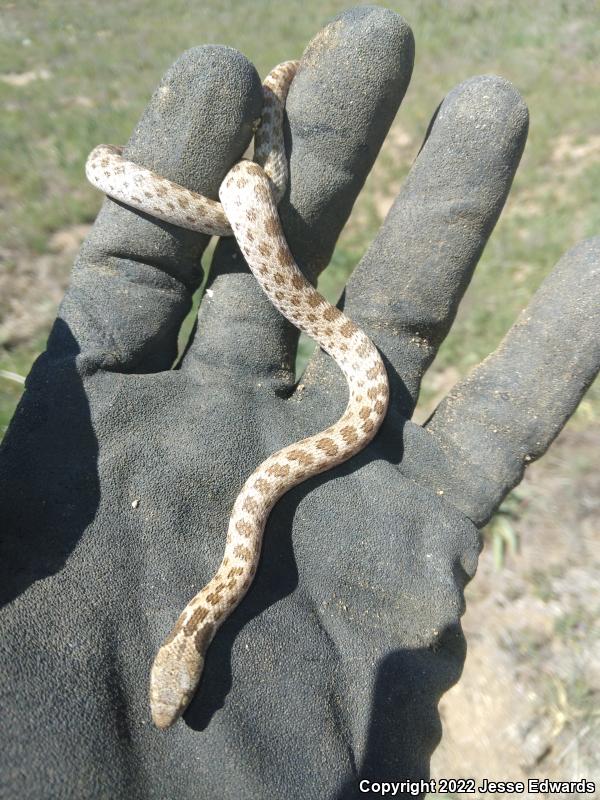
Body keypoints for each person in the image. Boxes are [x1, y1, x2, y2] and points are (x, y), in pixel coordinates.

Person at [0, 6, 597, 799]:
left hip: (278, 258)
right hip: (248, 216)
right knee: (247, 186)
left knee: (251, 187)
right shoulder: (215, 601)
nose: (174, 701)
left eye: (173, 691)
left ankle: (265, 143)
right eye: (176, 690)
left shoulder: (214, 598)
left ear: (180, 654)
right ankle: (253, 170)